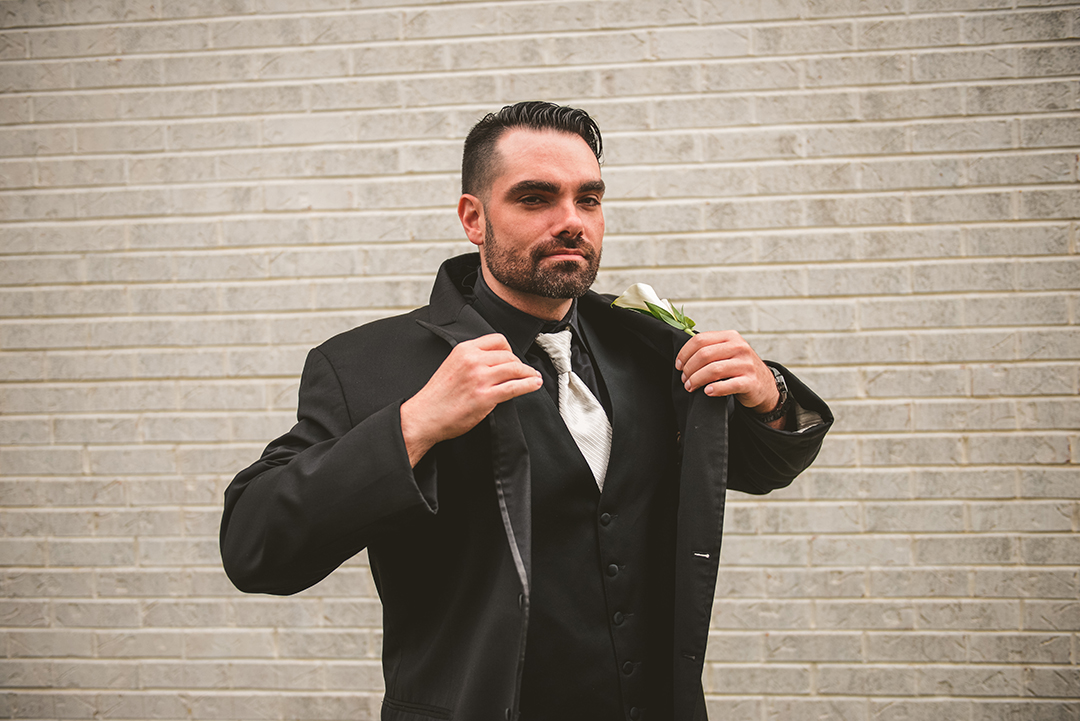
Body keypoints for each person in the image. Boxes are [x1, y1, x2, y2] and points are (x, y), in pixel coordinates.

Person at [220, 101, 832, 721]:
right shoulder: (367, 365)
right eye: (536, 199)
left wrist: (771, 396)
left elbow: (758, 468)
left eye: (588, 200)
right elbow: (256, 547)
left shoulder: (649, 346)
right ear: (473, 219)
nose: (571, 222)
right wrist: (414, 425)